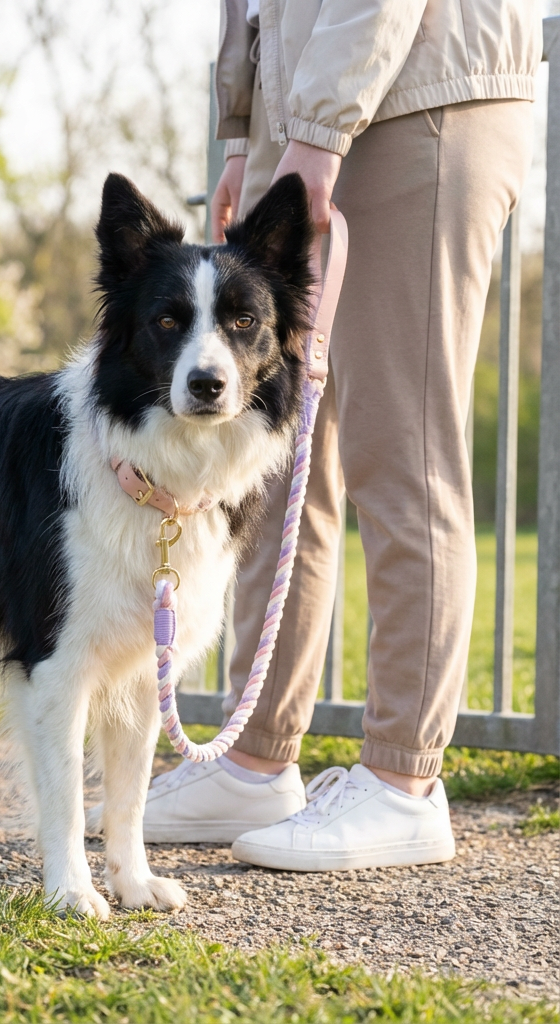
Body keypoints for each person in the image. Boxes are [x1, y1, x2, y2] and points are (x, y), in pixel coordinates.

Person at [141, 0, 540, 870]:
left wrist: (313, 134)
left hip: (418, 100)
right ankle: (255, 762)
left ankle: (404, 782)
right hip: (312, 114)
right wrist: (246, 134)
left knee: (403, 451)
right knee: (280, 462)